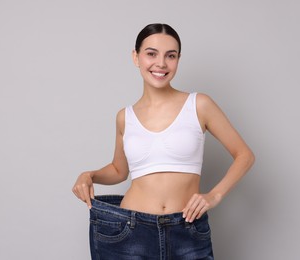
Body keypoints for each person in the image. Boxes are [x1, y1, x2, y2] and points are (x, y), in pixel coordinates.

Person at [72, 23, 255, 260]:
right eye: (151, 54)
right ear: (135, 57)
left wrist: (214, 195)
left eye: (171, 56)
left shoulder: (199, 105)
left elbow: (244, 155)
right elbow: (119, 170)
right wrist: (90, 175)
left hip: (187, 228)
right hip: (129, 231)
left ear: (178, 59)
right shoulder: (124, 117)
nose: (161, 63)